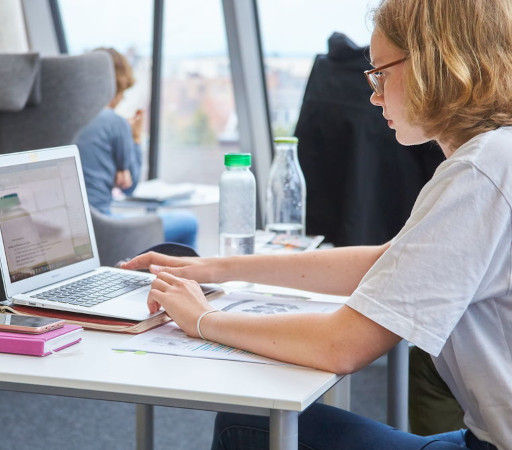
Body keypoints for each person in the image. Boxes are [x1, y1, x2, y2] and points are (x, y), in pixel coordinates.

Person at [122, 0, 512, 448]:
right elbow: (387, 263)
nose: (374, 94)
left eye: (381, 72)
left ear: (435, 64)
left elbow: (342, 345)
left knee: (250, 425)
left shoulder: (480, 173)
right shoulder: (495, 158)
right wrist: (215, 269)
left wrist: (203, 319)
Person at [76, 47, 198, 248]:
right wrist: (135, 137)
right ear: (116, 87)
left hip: (74, 228)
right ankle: (184, 279)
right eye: (122, 92)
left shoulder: (64, 120)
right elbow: (130, 187)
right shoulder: (115, 122)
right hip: (104, 226)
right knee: (188, 222)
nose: (122, 98)